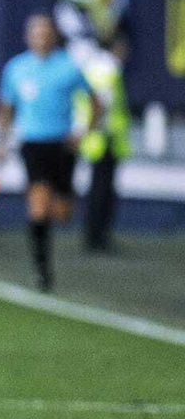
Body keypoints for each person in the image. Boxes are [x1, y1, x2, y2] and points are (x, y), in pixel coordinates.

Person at [0, 13, 101, 291]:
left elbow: (95, 101)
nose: (40, 37)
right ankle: (42, 271)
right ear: (27, 36)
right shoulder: (16, 68)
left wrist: (84, 133)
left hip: (62, 145)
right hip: (32, 144)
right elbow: (6, 108)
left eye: (45, 32)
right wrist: (1, 144)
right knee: (38, 207)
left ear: (53, 36)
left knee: (63, 212)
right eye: (35, 32)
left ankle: (52, 212)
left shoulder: (68, 68)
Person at [78, 32, 129, 253]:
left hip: (96, 138)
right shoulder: (109, 68)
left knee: (97, 188)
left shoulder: (93, 66)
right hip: (105, 138)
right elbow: (103, 103)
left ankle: (94, 235)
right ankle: (97, 237)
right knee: (102, 190)